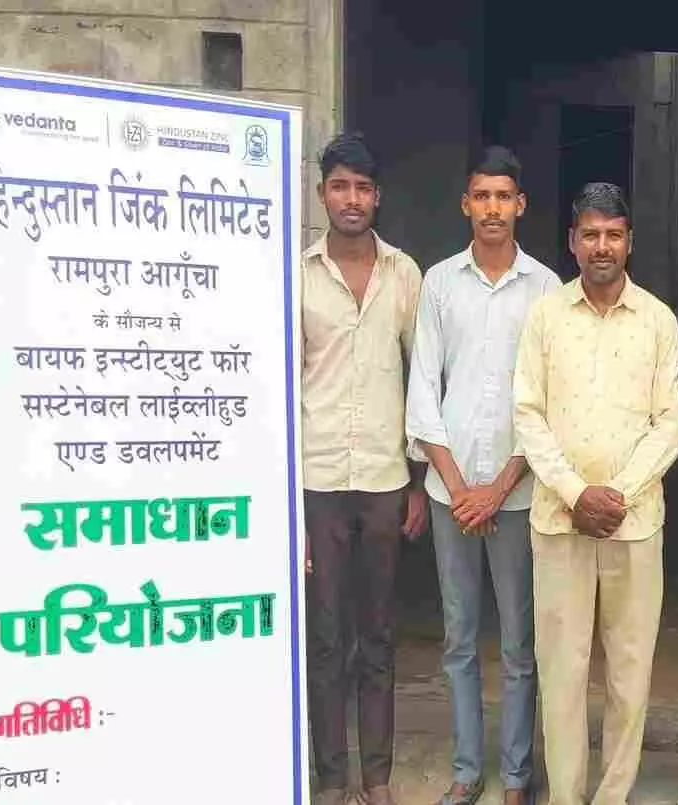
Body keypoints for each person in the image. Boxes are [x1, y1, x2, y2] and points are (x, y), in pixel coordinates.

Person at [512, 182, 678, 805]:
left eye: (613, 234)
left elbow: (670, 424)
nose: (602, 246)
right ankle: (566, 795)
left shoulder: (659, 321)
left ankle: (613, 796)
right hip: (559, 523)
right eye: (590, 234)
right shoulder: (546, 316)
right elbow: (527, 413)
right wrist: (574, 493)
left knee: (629, 672)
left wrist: (616, 495)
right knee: (561, 672)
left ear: (629, 241)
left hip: (632, 525)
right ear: (572, 242)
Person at [406, 146, 560, 805]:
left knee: (521, 644)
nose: (492, 208)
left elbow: (549, 398)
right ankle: (469, 769)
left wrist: (497, 488)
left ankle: (518, 774)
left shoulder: (546, 288)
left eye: (504, 197)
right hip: (450, 493)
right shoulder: (440, 283)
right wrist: (460, 486)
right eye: (482, 196)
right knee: (460, 638)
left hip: (518, 494)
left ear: (519, 205)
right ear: (466, 204)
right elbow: (423, 389)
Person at [302, 132, 428, 805]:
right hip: (317, 479)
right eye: (339, 186)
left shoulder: (404, 274)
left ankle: (376, 779)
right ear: (323, 192)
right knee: (326, 637)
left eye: (362, 187)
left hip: (383, 479)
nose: (351, 199)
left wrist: (417, 480)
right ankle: (330, 778)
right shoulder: (298, 275)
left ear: (377, 196)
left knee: (378, 635)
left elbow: (422, 378)